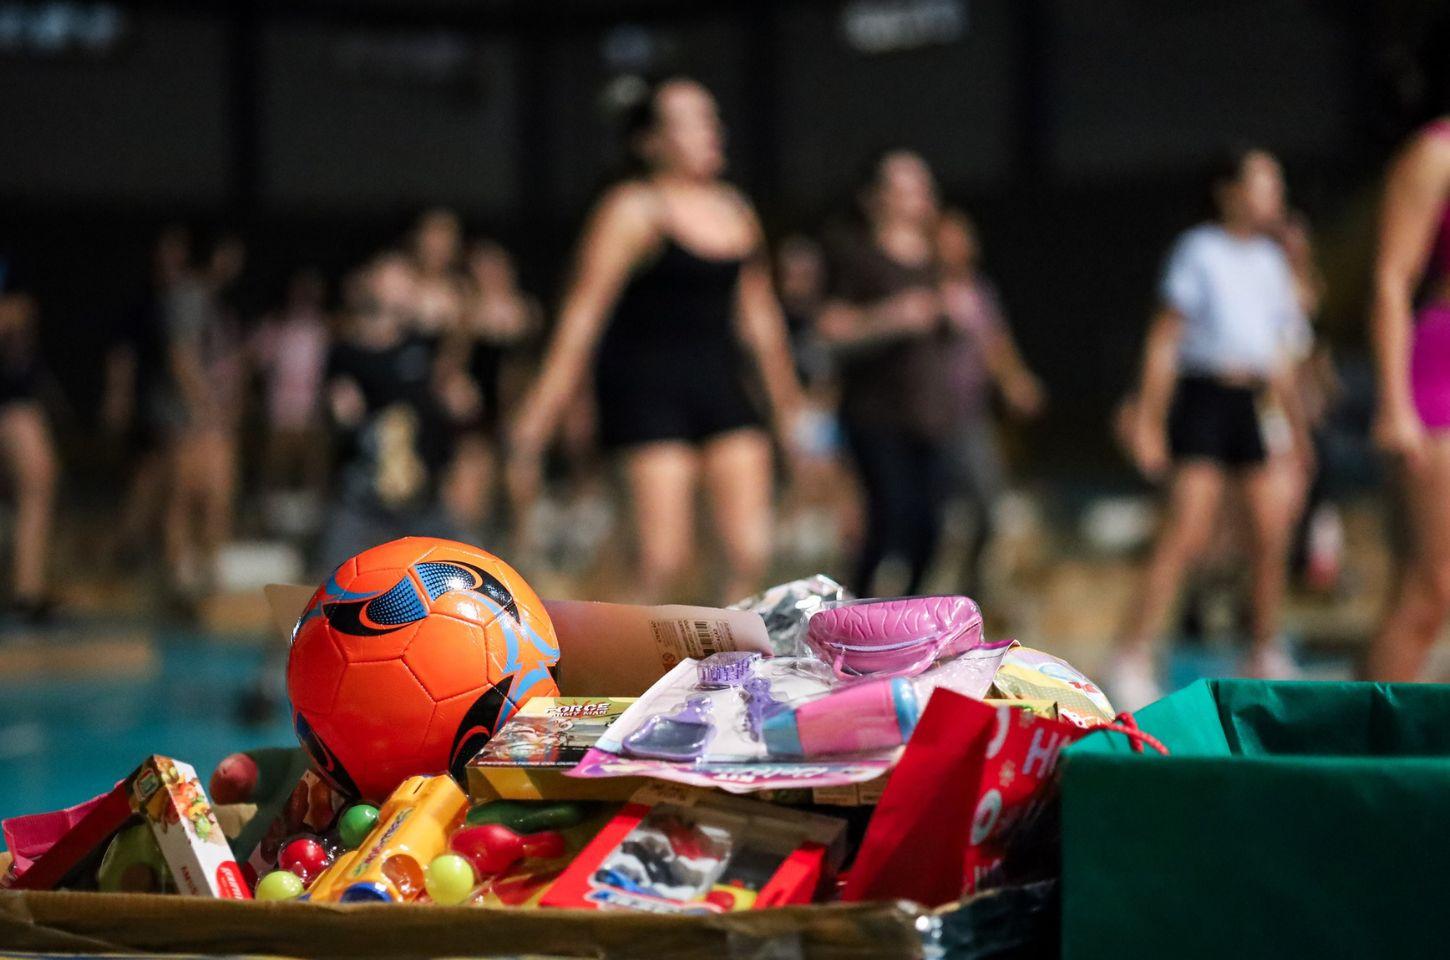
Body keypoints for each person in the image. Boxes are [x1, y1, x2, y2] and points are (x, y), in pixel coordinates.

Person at [511, 77, 804, 604]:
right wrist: (538, 417)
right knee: (658, 560)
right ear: (650, 141)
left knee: (747, 551)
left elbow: (760, 322)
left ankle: (722, 672)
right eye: (691, 121)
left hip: (720, 389)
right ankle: (609, 665)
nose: (713, 132)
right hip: (646, 394)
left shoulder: (735, 209)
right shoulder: (631, 208)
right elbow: (582, 317)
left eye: (713, 119)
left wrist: (790, 410)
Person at [1106, 148, 1313, 710]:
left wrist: (1299, 431)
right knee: (1186, 531)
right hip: (1203, 397)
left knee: (1271, 530)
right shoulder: (1198, 250)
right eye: (1265, 184)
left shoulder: (1273, 263)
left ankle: (1263, 647)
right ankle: (1131, 652)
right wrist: (1148, 417)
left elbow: (1283, 355)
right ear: (1229, 191)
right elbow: (1164, 337)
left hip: (1253, 401)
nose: (1275, 195)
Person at [816, 150, 959, 597]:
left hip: (932, 413)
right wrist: (890, 318)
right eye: (904, 188)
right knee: (886, 518)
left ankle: (911, 617)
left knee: (931, 526)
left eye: (922, 186)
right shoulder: (853, 251)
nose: (918, 197)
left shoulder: (939, 253)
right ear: (874, 197)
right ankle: (854, 612)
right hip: (875, 413)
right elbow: (828, 328)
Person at [315, 252, 469, 571]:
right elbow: (336, 412)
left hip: (421, 499)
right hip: (362, 498)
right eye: (389, 277)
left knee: (469, 572)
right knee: (332, 583)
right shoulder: (346, 352)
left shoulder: (425, 348)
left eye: (405, 279)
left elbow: (461, 332)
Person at [1365, 116, 1450, 681]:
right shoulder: (1436, 153)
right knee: (1430, 591)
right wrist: (1395, 404)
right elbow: (1392, 278)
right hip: (1441, 381)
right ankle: (1353, 760)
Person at [935, 208, 1046, 596]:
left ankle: (971, 592)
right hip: (923, 419)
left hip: (969, 414)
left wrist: (1015, 381)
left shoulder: (979, 290)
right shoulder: (920, 290)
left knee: (989, 506)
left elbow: (995, 342)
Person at [159, 235, 247, 603]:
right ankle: (183, 578)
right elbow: (180, 355)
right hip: (193, 416)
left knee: (215, 496)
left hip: (210, 414)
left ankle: (204, 576)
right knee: (191, 495)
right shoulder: (189, 296)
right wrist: (206, 407)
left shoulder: (211, 300)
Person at [443, 240, 541, 535]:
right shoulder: (464, 312)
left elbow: (533, 361)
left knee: (519, 475)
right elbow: (452, 360)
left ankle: (522, 546)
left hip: (514, 406)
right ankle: (465, 546)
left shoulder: (525, 310)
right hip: (478, 410)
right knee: (468, 479)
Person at [0, 265, 58, 622]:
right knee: (37, 479)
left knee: (37, 482)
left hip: (15, 397)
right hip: (9, 402)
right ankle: (27, 594)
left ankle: (27, 594)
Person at [251, 267, 331, 502]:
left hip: (312, 409)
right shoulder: (276, 327)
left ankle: (311, 510)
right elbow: (256, 361)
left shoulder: (324, 329)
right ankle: (268, 508)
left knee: (312, 463)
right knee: (276, 463)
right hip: (280, 408)